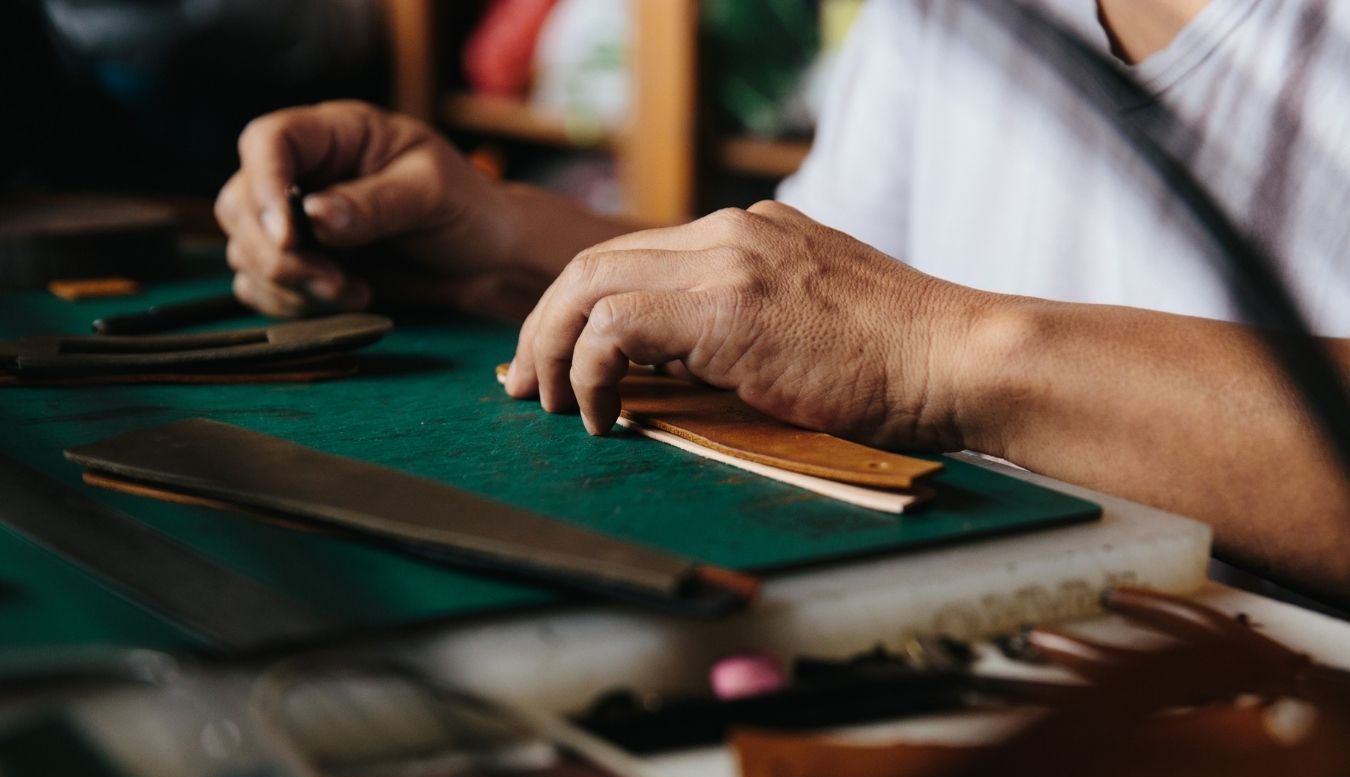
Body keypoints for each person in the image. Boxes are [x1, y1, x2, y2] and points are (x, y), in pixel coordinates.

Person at [214, 0, 1350, 604]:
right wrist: (493, 238)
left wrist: (939, 360)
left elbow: (891, 334)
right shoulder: (939, 16)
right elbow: (813, 304)